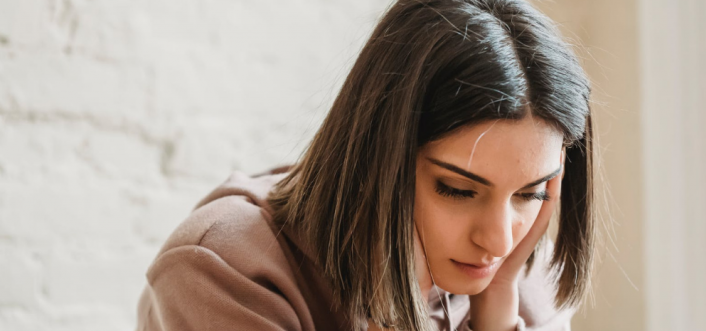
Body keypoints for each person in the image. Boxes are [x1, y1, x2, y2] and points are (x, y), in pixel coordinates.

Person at [136, 0, 596, 330]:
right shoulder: (223, 273)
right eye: (457, 189)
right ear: (379, 156)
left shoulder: (522, 275)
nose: (498, 240)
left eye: (530, 193)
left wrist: (497, 312)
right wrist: (395, 310)